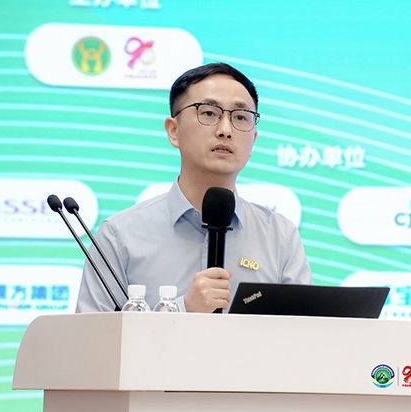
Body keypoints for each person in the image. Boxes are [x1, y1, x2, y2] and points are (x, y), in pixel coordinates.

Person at [75, 62, 313, 313]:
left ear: (253, 140)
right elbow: (93, 334)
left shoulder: (280, 237)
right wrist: (182, 309)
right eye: (209, 113)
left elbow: (307, 330)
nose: (225, 130)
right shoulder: (120, 235)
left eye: (240, 117)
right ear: (173, 130)